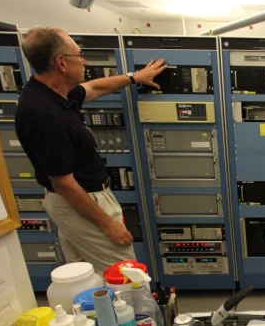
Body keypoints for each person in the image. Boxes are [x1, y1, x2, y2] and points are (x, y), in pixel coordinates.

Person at [15, 26, 166, 274]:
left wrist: (134, 77)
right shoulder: (44, 115)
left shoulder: (51, 93)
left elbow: (93, 88)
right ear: (61, 63)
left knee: (85, 276)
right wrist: (109, 225)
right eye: (78, 55)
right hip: (81, 202)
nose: (84, 61)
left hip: (75, 200)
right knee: (124, 275)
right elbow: (64, 184)